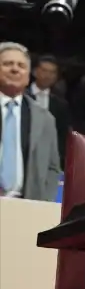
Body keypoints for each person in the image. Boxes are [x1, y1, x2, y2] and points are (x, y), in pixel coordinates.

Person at [0, 42, 61, 201]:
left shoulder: (45, 119)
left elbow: (53, 168)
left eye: (21, 65)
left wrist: (44, 202)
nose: (15, 69)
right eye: (7, 64)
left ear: (28, 75)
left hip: (27, 207)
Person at [28, 54, 70, 166]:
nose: (48, 75)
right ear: (34, 71)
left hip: (48, 157)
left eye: (52, 72)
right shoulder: (21, 96)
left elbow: (62, 134)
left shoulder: (61, 104)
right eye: (44, 71)